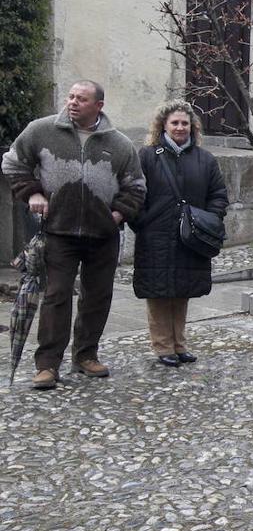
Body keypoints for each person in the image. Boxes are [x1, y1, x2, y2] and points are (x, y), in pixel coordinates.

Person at [2, 80, 146, 390]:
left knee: (97, 296)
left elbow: (136, 186)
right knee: (56, 295)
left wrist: (118, 214)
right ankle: (47, 366)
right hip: (58, 231)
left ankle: (85, 356)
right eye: (70, 97)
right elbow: (12, 162)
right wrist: (31, 194)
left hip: (103, 234)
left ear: (99, 106)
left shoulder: (119, 143)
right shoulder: (41, 130)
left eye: (81, 98)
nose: (73, 102)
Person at [131, 101, 229, 366]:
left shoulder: (204, 159)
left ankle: (179, 343)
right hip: (156, 236)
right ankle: (163, 346)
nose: (180, 127)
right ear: (164, 125)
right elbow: (135, 193)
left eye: (184, 123)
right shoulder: (148, 156)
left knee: (181, 290)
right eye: (175, 122)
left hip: (191, 237)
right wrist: (142, 222)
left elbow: (218, 195)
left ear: (192, 127)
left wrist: (209, 220)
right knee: (159, 292)